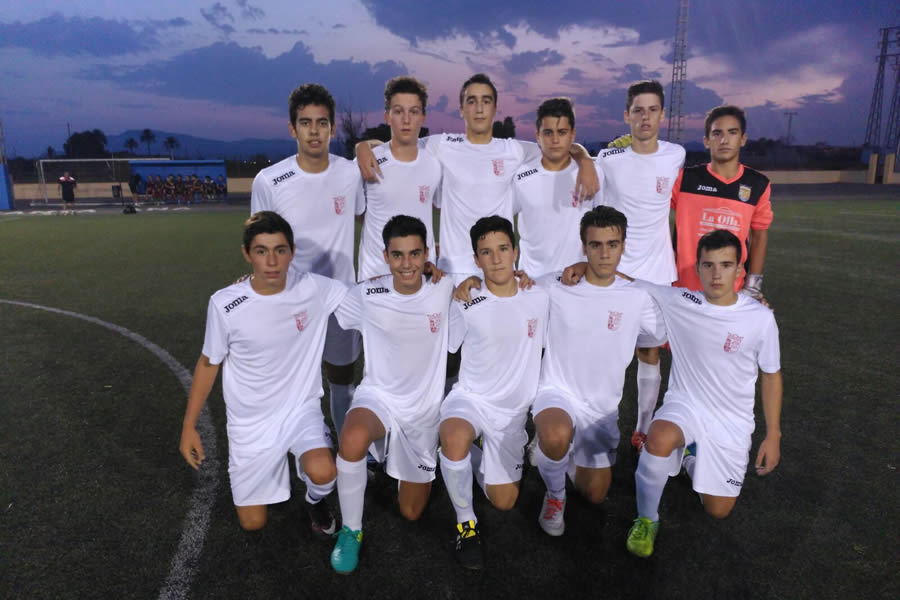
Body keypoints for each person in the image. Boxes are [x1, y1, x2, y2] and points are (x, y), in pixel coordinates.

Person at [178, 211, 348, 535]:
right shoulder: (225, 304)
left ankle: (314, 499)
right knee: (253, 523)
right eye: (261, 251)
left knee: (324, 472)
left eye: (279, 250)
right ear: (247, 254)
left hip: (299, 410)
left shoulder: (314, 288)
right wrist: (189, 426)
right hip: (250, 424)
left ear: (292, 252)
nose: (271, 261)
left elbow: (366, 294)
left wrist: (421, 274)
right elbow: (209, 364)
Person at [625, 229, 782, 558]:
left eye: (725, 265)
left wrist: (773, 435)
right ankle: (646, 519)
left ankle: (691, 456)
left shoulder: (760, 318)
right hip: (686, 405)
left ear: (740, 270)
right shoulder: (681, 300)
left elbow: (771, 375)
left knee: (718, 510)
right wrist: (582, 268)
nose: (716, 274)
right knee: (658, 438)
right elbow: (629, 282)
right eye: (708, 265)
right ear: (697, 269)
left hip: (731, 421)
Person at [357, 72, 599, 285]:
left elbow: (557, 146)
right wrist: (363, 147)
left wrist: (585, 159)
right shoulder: (442, 145)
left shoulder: (514, 150)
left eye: (486, 101)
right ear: (462, 109)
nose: (479, 108)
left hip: (500, 271)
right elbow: (401, 144)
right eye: (471, 101)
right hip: (453, 271)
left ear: (495, 108)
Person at [329, 215, 452, 574]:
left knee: (411, 512)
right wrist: (254, 282)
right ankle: (351, 530)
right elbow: (314, 293)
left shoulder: (445, 289)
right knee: (352, 438)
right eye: (397, 255)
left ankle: (419, 456)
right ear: (385, 256)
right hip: (379, 398)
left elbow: (490, 289)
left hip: (422, 413)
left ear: (427, 254)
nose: (406, 264)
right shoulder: (368, 293)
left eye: (415, 254)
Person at [530, 206, 664, 536]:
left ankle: (560, 455)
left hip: (601, 409)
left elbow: (663, 331)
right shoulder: (557, 285)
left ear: (623, 245)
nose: (604, 254)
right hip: (557, 392)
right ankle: (555, 495)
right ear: (584, 246)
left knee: (595, 494)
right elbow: (511, 290)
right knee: (555, 435)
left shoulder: (639, 297)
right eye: (596, 245)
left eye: (612, 244)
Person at [251, 83, 364, 441]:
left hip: (342, 299)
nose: (314, 131)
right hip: (292, 301)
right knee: (295, 386)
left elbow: (368, 213)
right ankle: (306, 447)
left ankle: (347, 448)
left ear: (332, 128)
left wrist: (366, 145)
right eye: (305, 122)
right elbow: (259, 243)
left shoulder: (351, 173)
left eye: (322, 122)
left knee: (342, 381)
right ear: (292, 128)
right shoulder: (270, 181)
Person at [439, 215, 549, 569]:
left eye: (503, 249)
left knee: (504, 501)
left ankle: (470, 455)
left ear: (515, 252)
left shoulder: (539, 296)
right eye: (486, 252)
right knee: (454, 436)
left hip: (511, 415)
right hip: (471, 399)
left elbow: (575, 279)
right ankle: (466, 523)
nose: (497, 258)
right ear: (476, 259)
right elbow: (444, 344)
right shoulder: (465, 300)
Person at [592, 79, 686, 450]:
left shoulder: (675, 155)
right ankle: (600, 423)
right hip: (615, 276)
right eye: (638, 111)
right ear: (626, 115)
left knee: (649, 351)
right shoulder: (608, 159)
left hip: (658, 275)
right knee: (606, 353)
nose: (645, 117)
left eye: (652, 110)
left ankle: (643, 427)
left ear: (662, 115)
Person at [671, 105, 773, 299]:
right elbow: (649, 207)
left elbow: (759, 236)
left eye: (732, 133)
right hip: (683, 289)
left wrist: (753, 287)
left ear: (743, 139)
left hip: (732, 292)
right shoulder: (685, 179)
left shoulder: (757, 184)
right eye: (717, 134)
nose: (724, 140)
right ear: (706, 141)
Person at [357, 76, 442, 281]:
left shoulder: (434, 163)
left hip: (422, 277)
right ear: (387, 117)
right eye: (398, 111)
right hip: (376, 277)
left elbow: (437, 210)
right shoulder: (369, 161)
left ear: (423, 117)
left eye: (414, 112)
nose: (406, 120)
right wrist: (361, 146)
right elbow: (356, 213)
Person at [513, 97, 602, 277]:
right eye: (548, 133)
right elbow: (501, 226)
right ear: (537, 135)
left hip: (577, 280)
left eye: (562, 132)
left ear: (572, 134)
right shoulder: (521, 176)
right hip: (532, 282)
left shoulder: (593, 173)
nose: (555, 140)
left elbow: (605, 228)